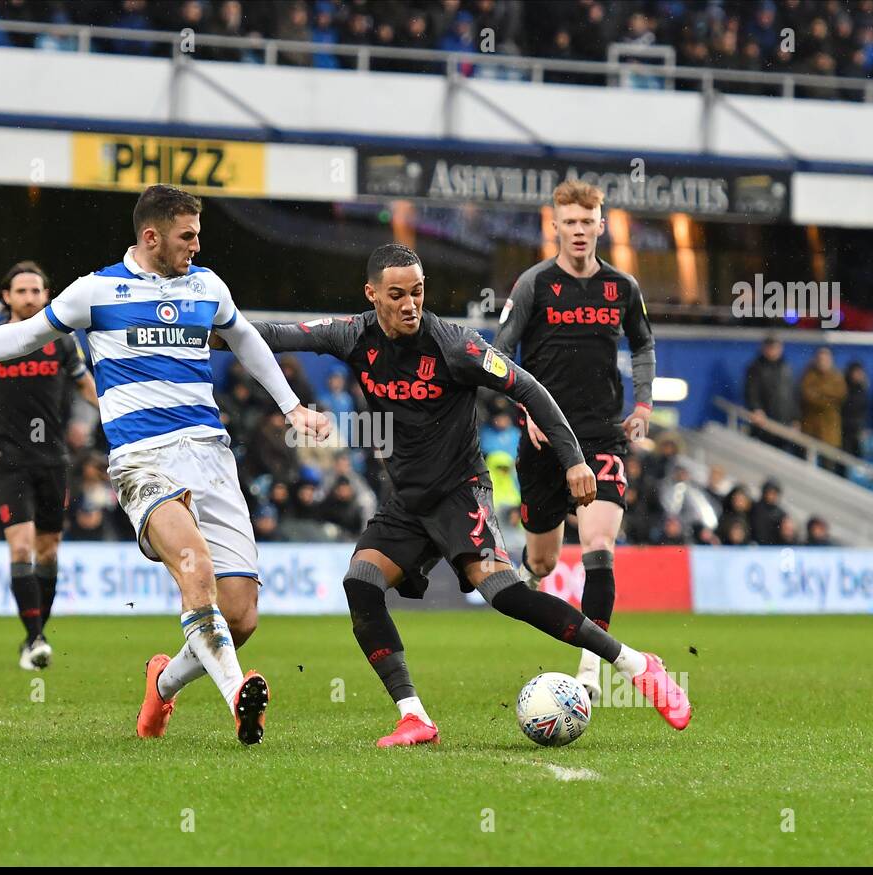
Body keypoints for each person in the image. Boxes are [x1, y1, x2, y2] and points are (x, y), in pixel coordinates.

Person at [0, 184, 329, 745]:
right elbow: (25, 336)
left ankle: (161, 689)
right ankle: (238, 700)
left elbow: (245, 341)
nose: (196, 245)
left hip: (212, 458)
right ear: (152, 236)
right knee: (195, 571)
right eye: (186, 236)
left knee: (240, 616)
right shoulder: (95, 291)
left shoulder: (208, 285)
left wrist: (292, 407)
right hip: (144, 460)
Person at [231, 243, 690, 746]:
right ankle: (414, 717)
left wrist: (574, 459)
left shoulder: (455, 345)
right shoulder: (352, 335)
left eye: (419, 293)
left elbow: (529, 389)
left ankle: (635, 663)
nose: (411, 305)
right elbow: (273, 335)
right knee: (361, 583)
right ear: (372, 294)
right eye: (398, 295)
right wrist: (200, 331)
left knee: (506, 595)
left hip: (459, 493)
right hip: (407, 501)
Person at [493, 179, 656, 704]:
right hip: (542, 437)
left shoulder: (622, 288)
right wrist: (524, 406)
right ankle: (536, 570)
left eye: (588, 222)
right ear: (555, 226)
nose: (579, 231)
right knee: (541, 563)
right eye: (570, 222)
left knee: (599, 548)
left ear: (601, 225)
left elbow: (643, 344)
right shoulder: (534, 285)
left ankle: (590, 670)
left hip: (601, 436)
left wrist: (645, 403)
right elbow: (499, 352)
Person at [0, 261, 100, 671]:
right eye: (21, 291)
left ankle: (35, 633)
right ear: (7, 296)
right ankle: (36, 638)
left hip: (53, 459)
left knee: (48, 551)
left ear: (47, 295)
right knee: (20, 547)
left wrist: (113, 411)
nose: (30, 298)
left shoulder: (62, 342)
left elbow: (83, 382)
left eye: (36, 291)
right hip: (9, 458)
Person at [744, 336, 798, 448]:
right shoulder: (755, 368)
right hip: (764, 425)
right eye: (770, 347)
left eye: (776, 347)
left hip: (784, 425)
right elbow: (751, 391)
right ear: (764, 348)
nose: (773, 350)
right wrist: (756, 409)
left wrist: (795, 418)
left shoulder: (786, 367)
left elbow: (792, 395)